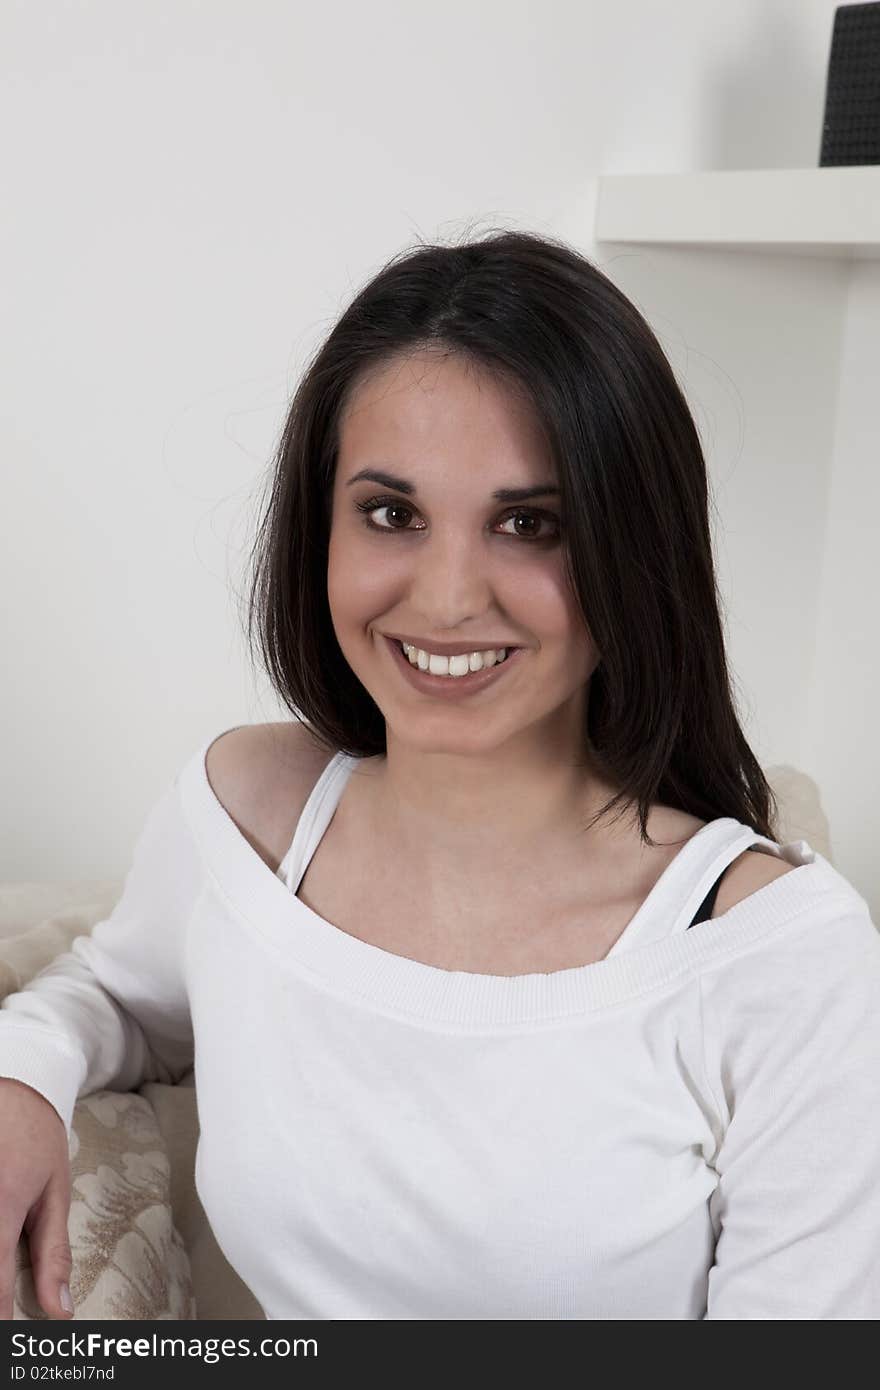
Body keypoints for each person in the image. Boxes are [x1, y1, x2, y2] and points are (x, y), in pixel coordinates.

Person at [2, 228, 879, 1321]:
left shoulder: (783, 958)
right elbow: (110, 993)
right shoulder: (246, 821)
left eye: (527, 523)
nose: (449, 596)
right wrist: (24, 1079)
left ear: (632, 547)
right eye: (390, 514)